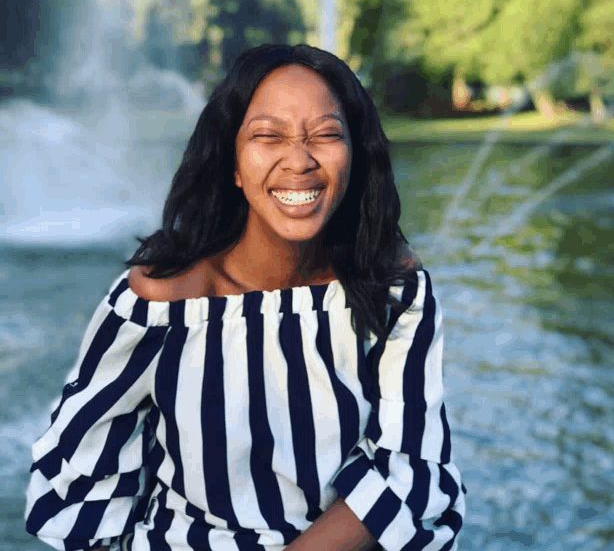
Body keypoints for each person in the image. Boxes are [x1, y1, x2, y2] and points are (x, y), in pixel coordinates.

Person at [25, 44, 466, 551]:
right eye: (267, 136)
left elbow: (412, 468)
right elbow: (76, 475)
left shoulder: (393, 292)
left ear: (355, 157)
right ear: (232, 163)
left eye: (325, 134)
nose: (299, 160)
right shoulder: (159, 303)